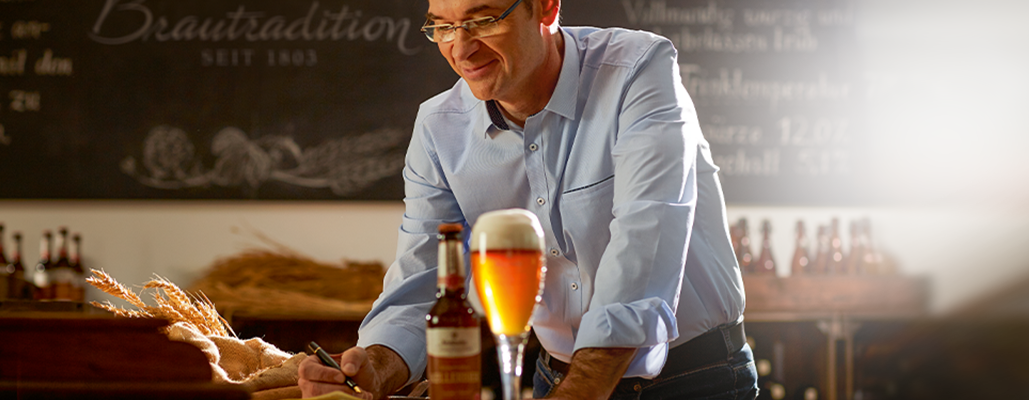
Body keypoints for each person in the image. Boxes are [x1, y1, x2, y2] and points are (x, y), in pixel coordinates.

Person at [298, 0, 756, 398]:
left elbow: (646, 239)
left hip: (695, 376)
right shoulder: (439, 129)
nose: (460, 48)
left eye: (482, 21)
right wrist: (372, 368)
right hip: (555, 377)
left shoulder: (637, 71)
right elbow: (426, 285)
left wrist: (580, 391)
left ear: (547, 8)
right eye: (442, 25)